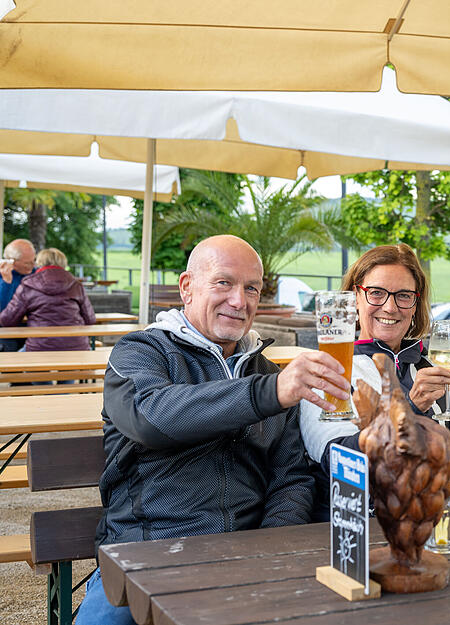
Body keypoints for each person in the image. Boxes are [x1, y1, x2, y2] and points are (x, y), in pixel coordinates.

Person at [75, 235, 350, 625]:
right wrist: (269, 393)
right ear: (186, 287)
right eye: (224, 283)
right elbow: (151, 418)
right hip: (145, 555)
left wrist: (269, 549)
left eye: (251, 288)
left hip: (245, 558)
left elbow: (291, 478)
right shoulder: (139, 352)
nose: (239, 300)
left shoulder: (266, 373)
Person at [300, 244, 450, 507]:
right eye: (376, 293)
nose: (390, 307)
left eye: (403, 295)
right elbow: (341, 459)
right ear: (355, 298)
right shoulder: (326, 369)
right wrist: (411, 409)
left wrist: (443, 496)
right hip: (367, 520)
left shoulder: (434, 364)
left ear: (415, 304)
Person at [0, 247, 96, 350]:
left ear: (39, 263)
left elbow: (7, 320)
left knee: (12, 358)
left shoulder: (28, 285)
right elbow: (90, 319)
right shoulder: (76, 285)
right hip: (77, 347)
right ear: (64, 263)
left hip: (39, 348)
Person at [0, 238, 36, 351]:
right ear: (12, 261)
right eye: (27, 263)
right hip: (5, 329)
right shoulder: (2, 276)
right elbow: (2, 310)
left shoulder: (36, 274)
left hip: (31, 327)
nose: (33, 265)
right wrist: (6, 282)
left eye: (34, 260)